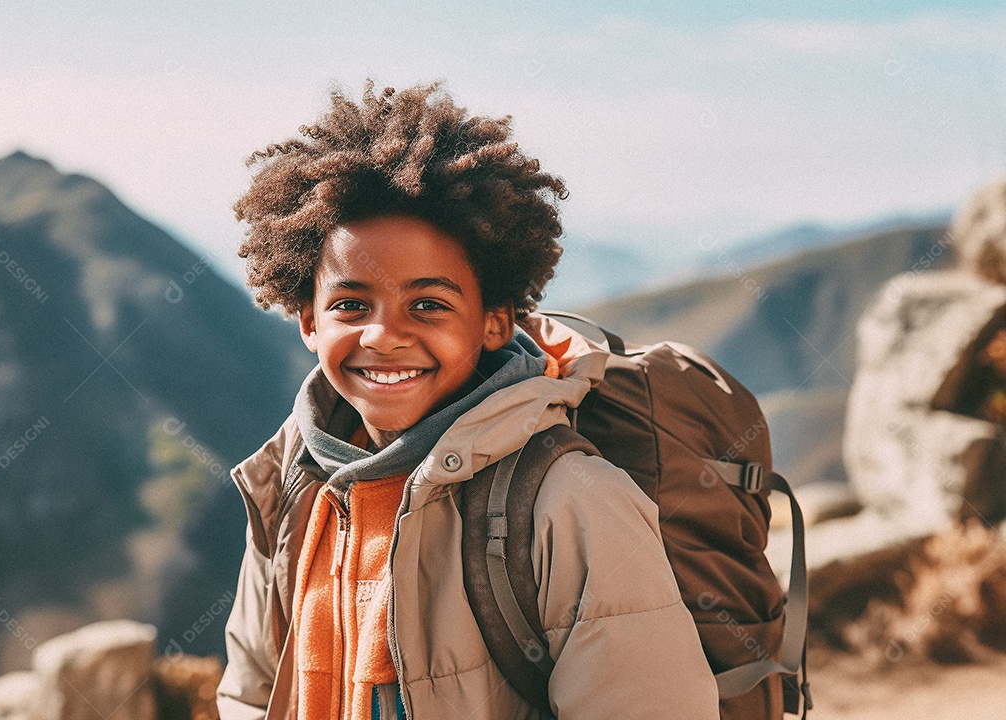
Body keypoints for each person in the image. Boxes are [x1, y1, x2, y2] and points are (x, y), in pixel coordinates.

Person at [216, 80, 719, 720]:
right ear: (308, 322)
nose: (384, 335)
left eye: (428, 304)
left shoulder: (572, 499)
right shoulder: (292, 486)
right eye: (350, 305)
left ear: (494, 322)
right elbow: (250, 692)